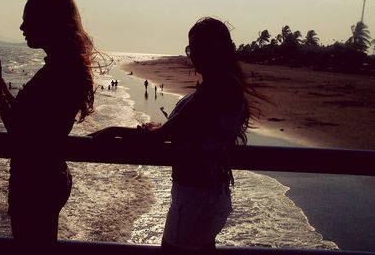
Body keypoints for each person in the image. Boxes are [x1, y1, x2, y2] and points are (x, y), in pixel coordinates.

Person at [90, 17, 261, 254]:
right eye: (191, 48)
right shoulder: (223, 86)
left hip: (196, 195)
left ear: (216, 49)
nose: (193, 55)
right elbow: (187, 127)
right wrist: (163, 129)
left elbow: (165, 134)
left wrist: (114, 131)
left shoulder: (216, 88)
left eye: (198, 48)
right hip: (209, 193)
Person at [0, 0, 95, 251]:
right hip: (47, 176)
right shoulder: (62, 66)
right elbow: (32, 121)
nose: (21, 27)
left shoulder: (59, 72)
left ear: (48, 22)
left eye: (28, 19)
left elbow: (25, 134)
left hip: (36, 182)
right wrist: (2, 89)